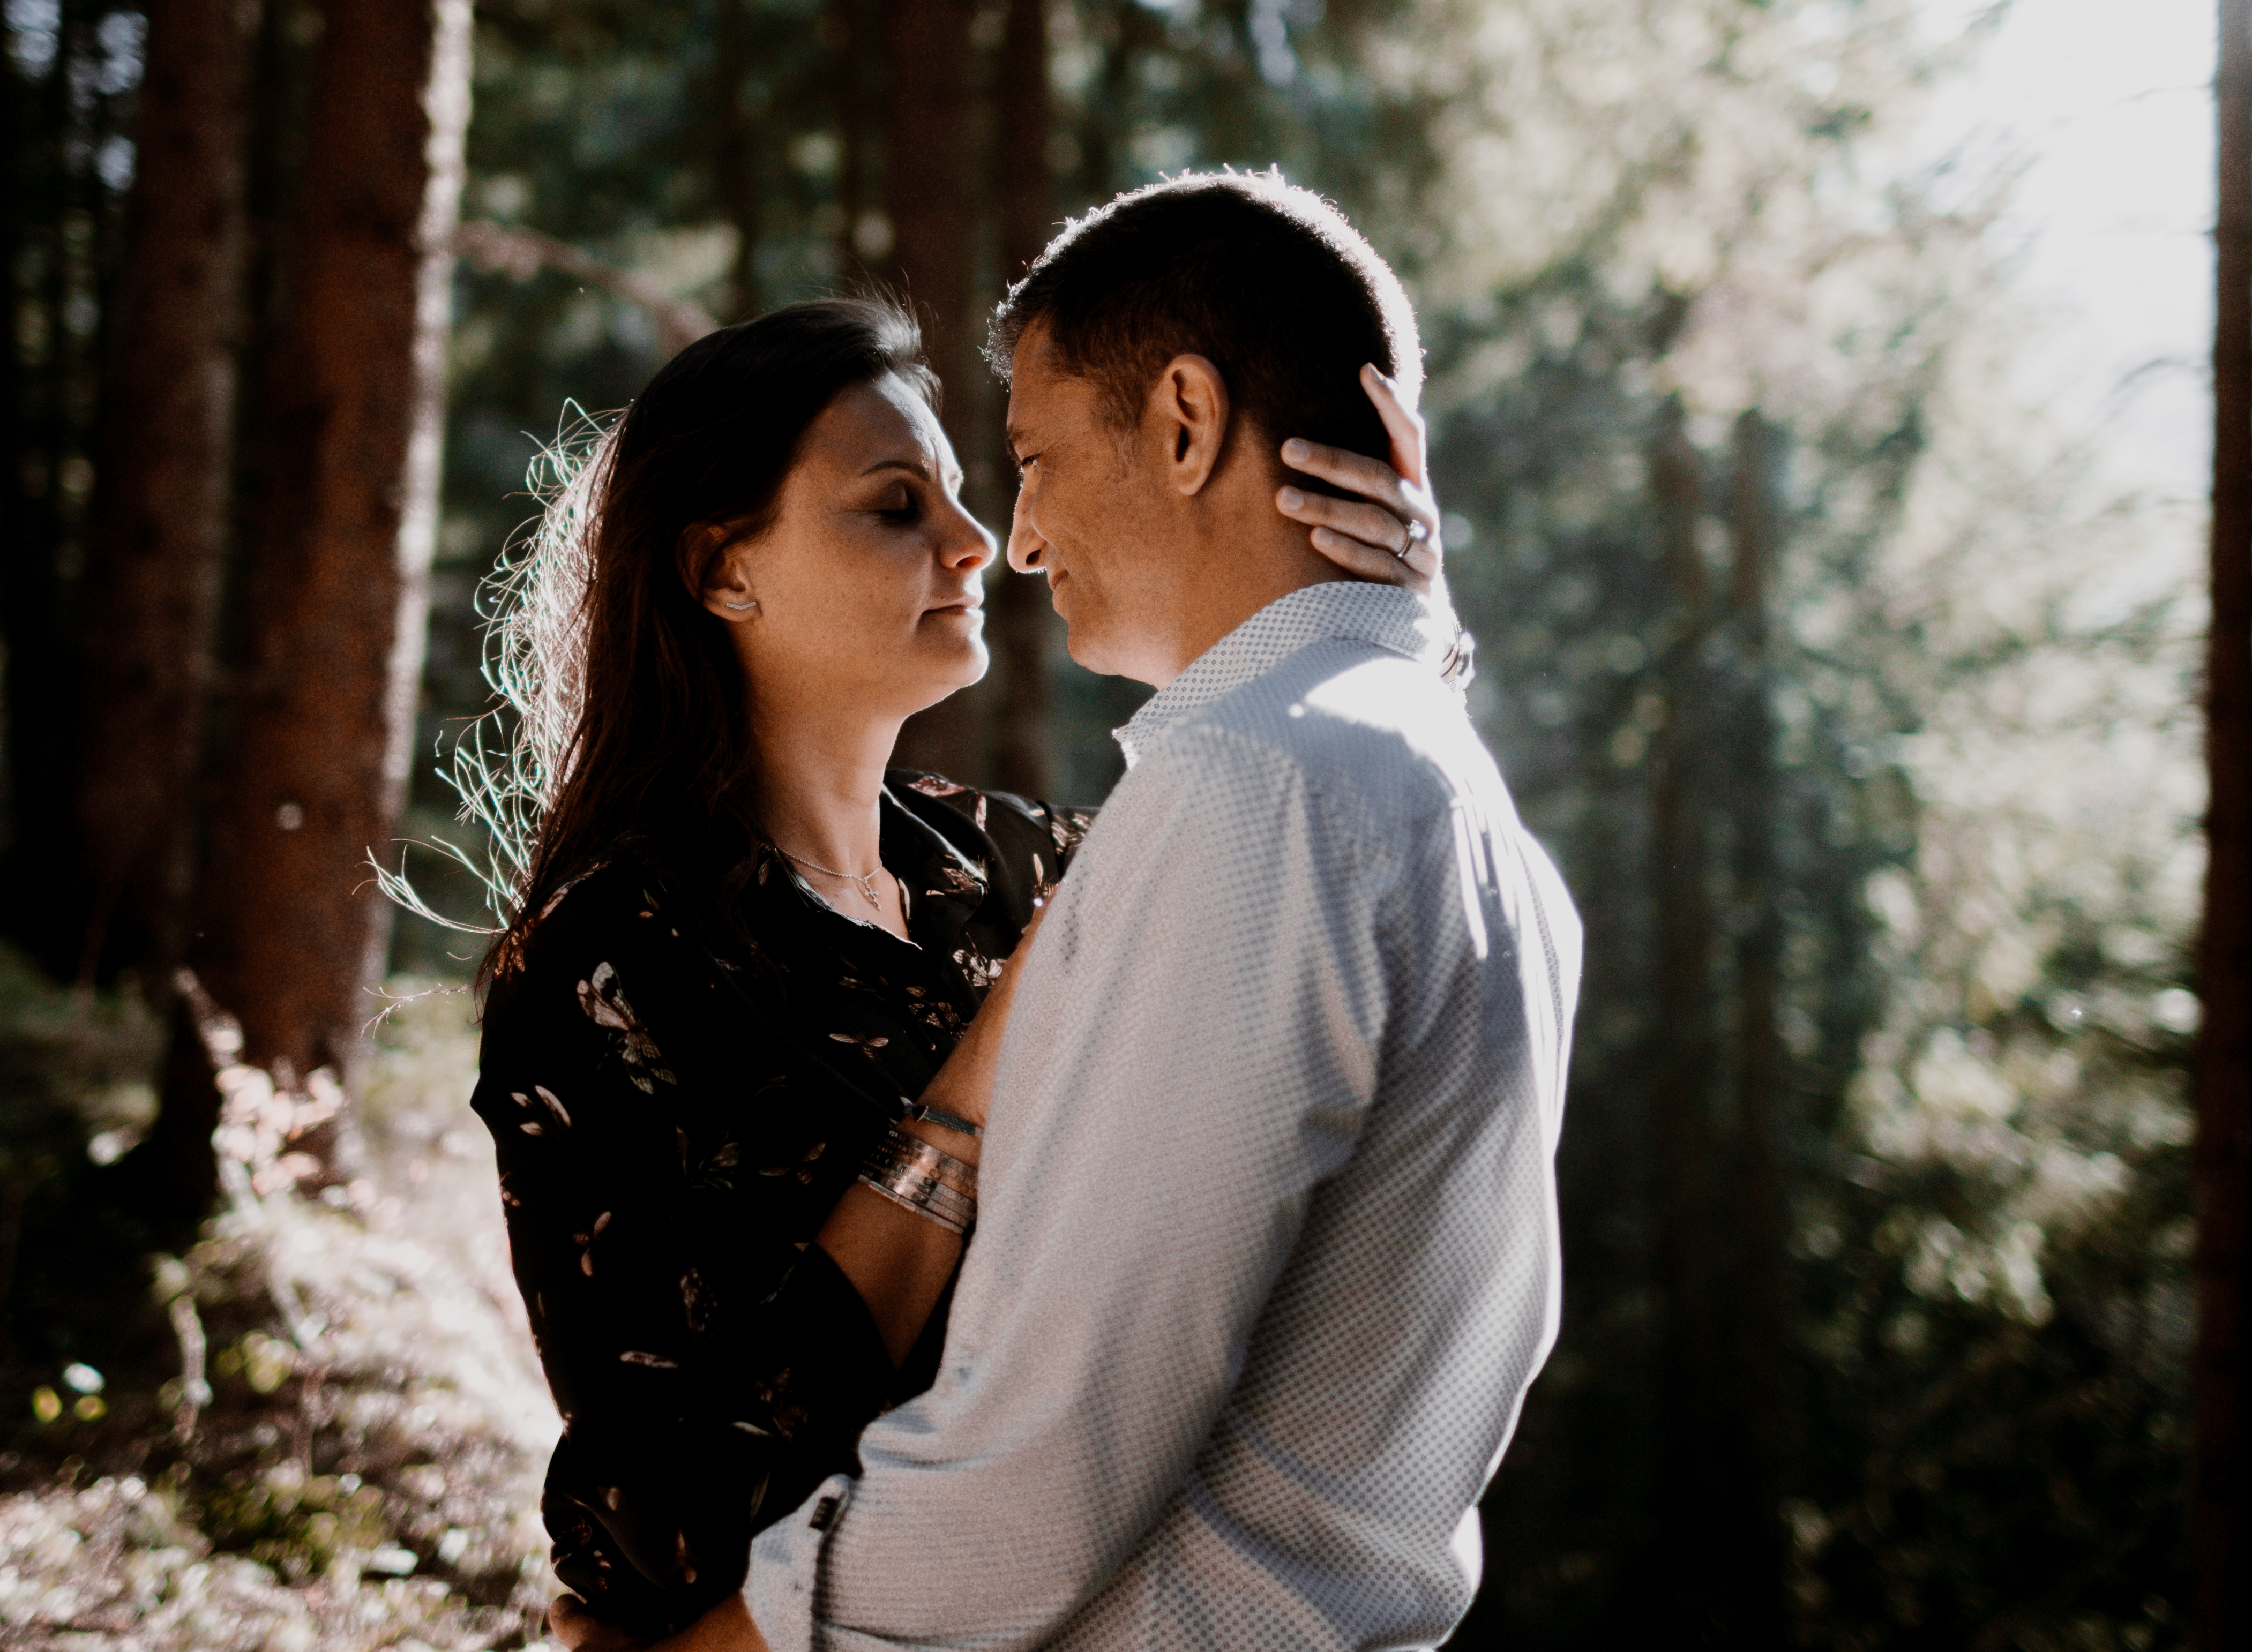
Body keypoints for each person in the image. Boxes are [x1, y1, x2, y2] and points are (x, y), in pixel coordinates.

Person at [649, 171, 1583, 1652]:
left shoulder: (1255, 785)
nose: (1014, 540)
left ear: (1187, 422)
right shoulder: (1463, 810)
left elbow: (1033, 1481)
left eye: (1030, 457)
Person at [461, 293, 1445, 1638]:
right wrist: (981, 1080)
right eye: (894, 506)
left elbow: (1332, 878)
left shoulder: (1019, 865)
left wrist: (1400, 623)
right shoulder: (609, 960)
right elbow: (663, 1511)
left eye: (964, 492)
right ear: (722, 571)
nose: (979, 543)